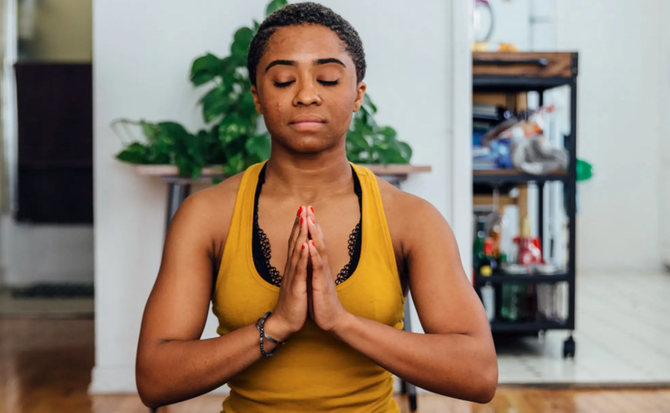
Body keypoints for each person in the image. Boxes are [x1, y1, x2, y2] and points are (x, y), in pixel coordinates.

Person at [136, 3, 497, 412]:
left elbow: (479, 373)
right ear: (257, 96)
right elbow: (154, 377)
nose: (306, 95)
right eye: (283, 80)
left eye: (327, 78)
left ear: (358, 93)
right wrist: (276, 325)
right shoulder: (207, 217)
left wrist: (341, 321)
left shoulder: (411, 219)